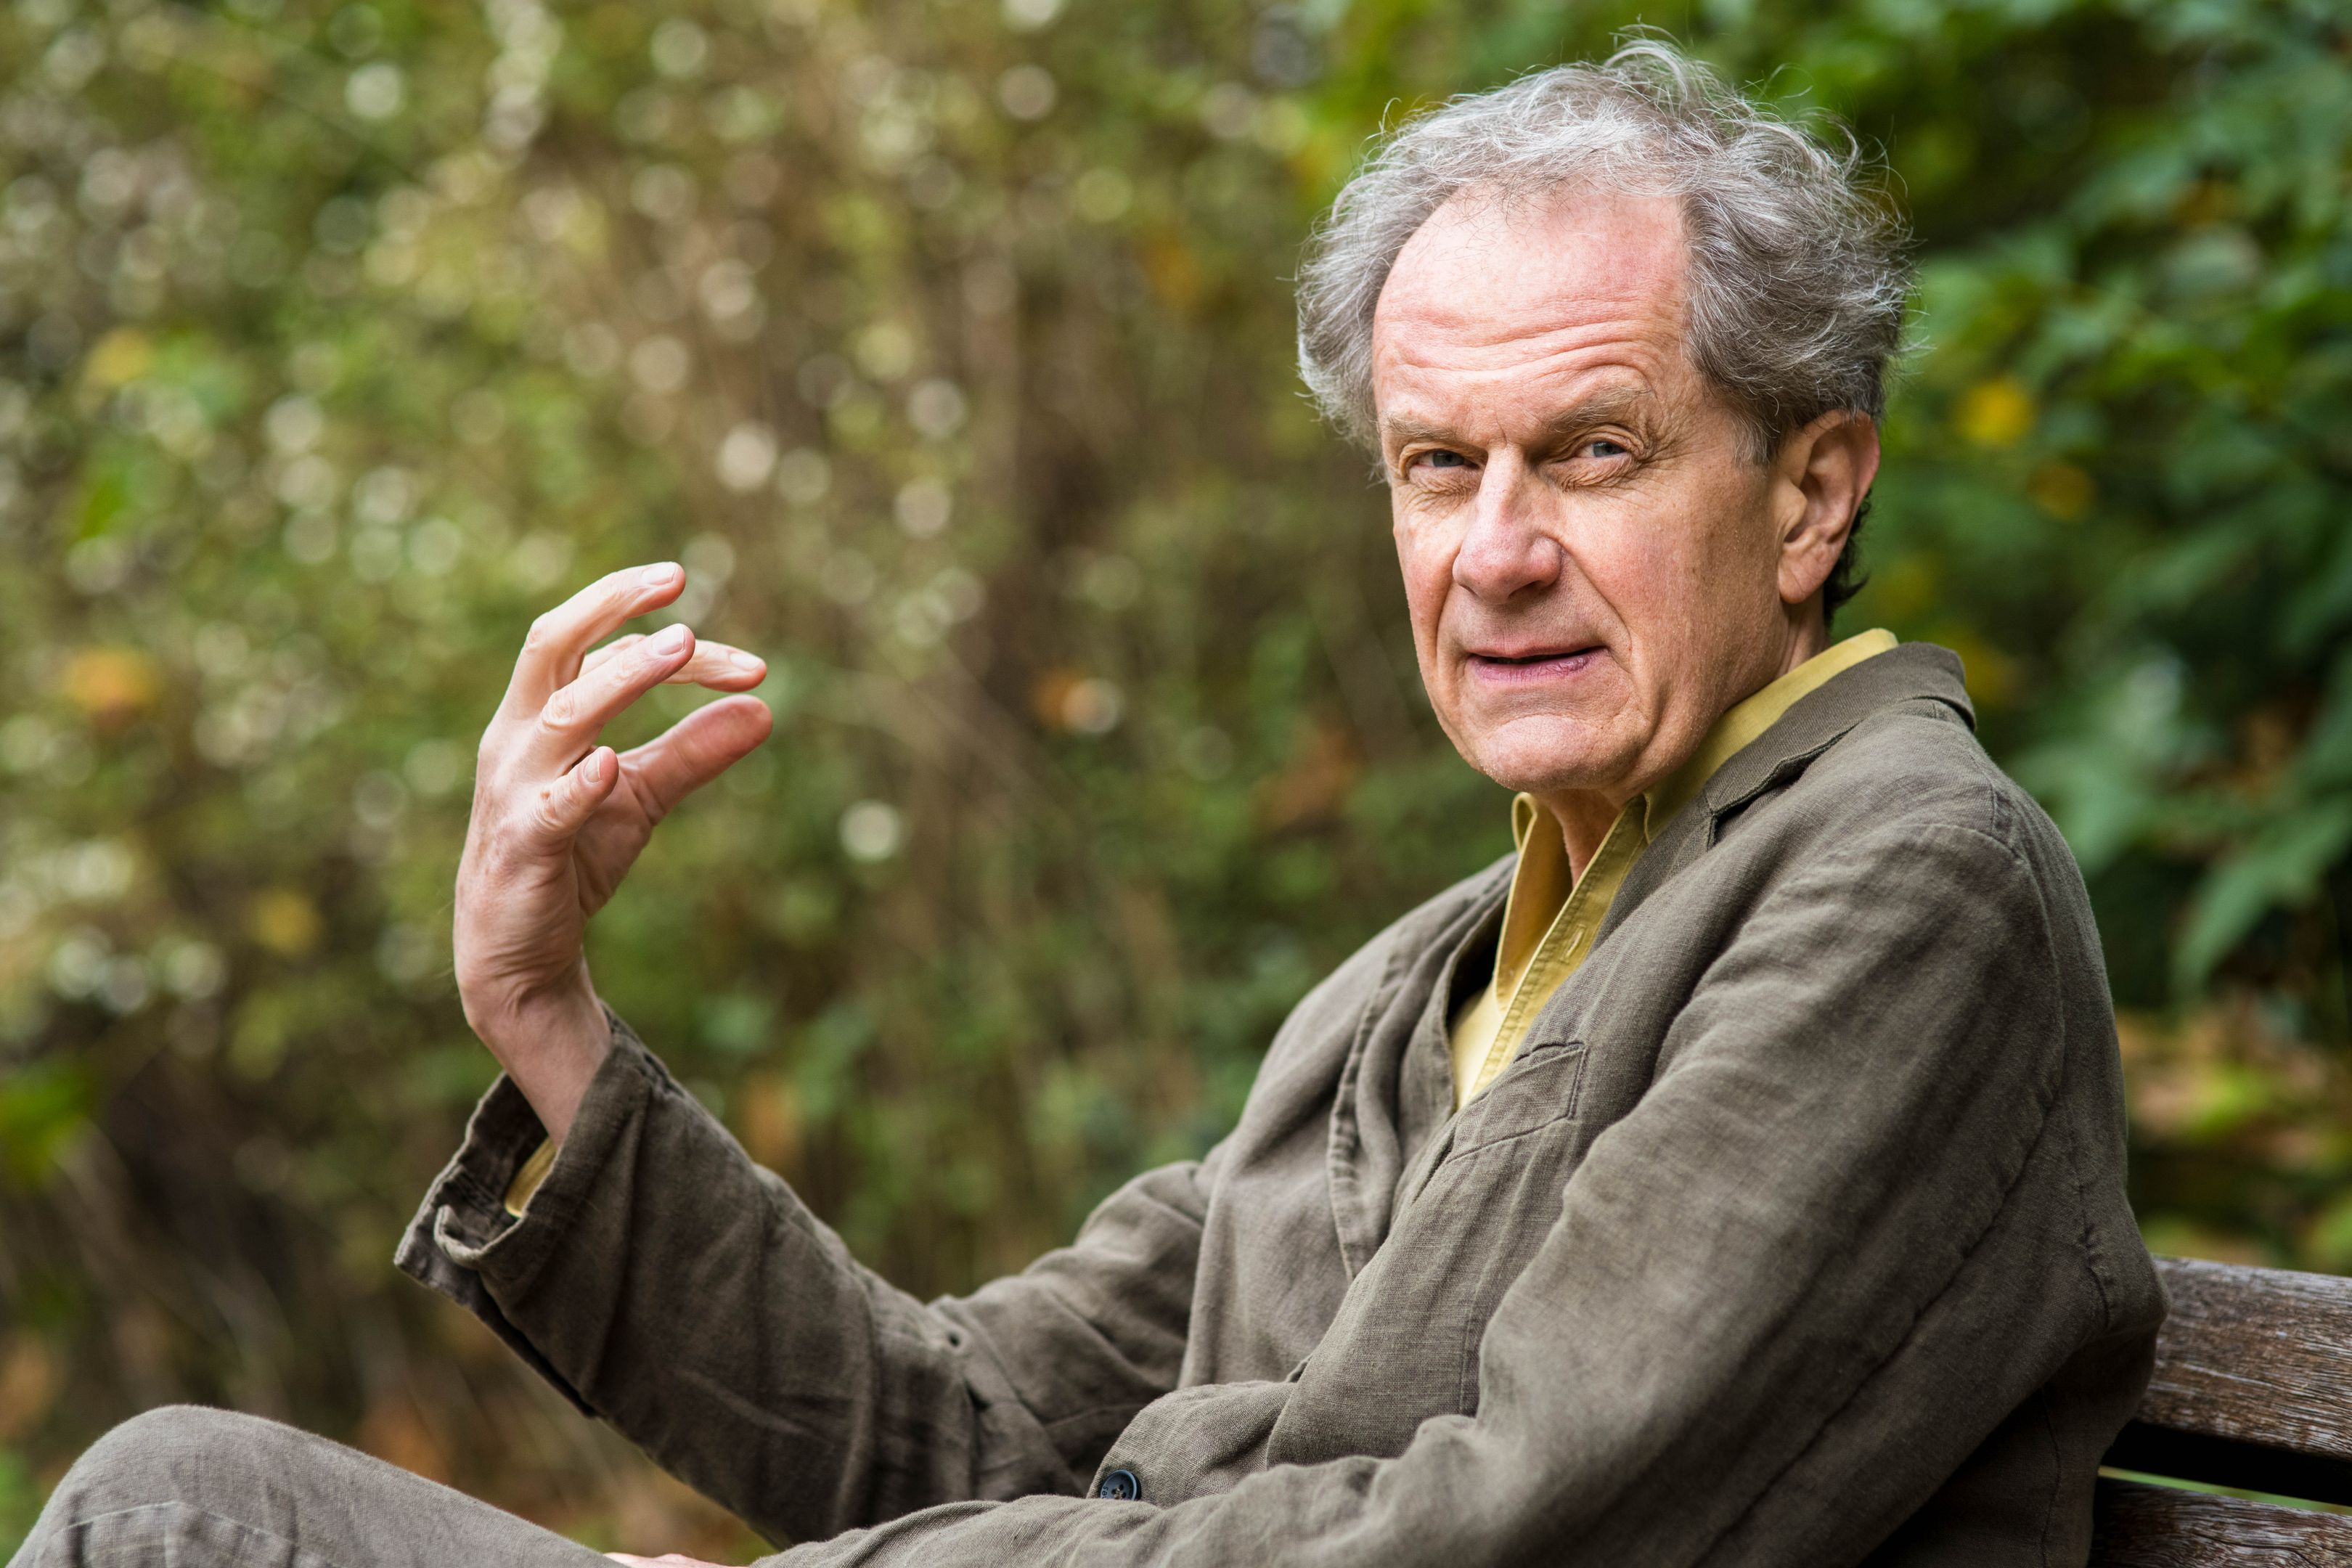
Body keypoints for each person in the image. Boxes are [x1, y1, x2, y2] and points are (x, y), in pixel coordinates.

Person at [13, 40, 2164, 1568]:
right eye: (1438, 466)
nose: (1495, 552)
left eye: (1591, 452)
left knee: (178, 1521)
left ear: (1811, 495)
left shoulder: (1909, 881)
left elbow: (1516, 1535)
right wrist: (545, 1020)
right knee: (182, 1497)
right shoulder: (1426, 981)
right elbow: (950, 1433)